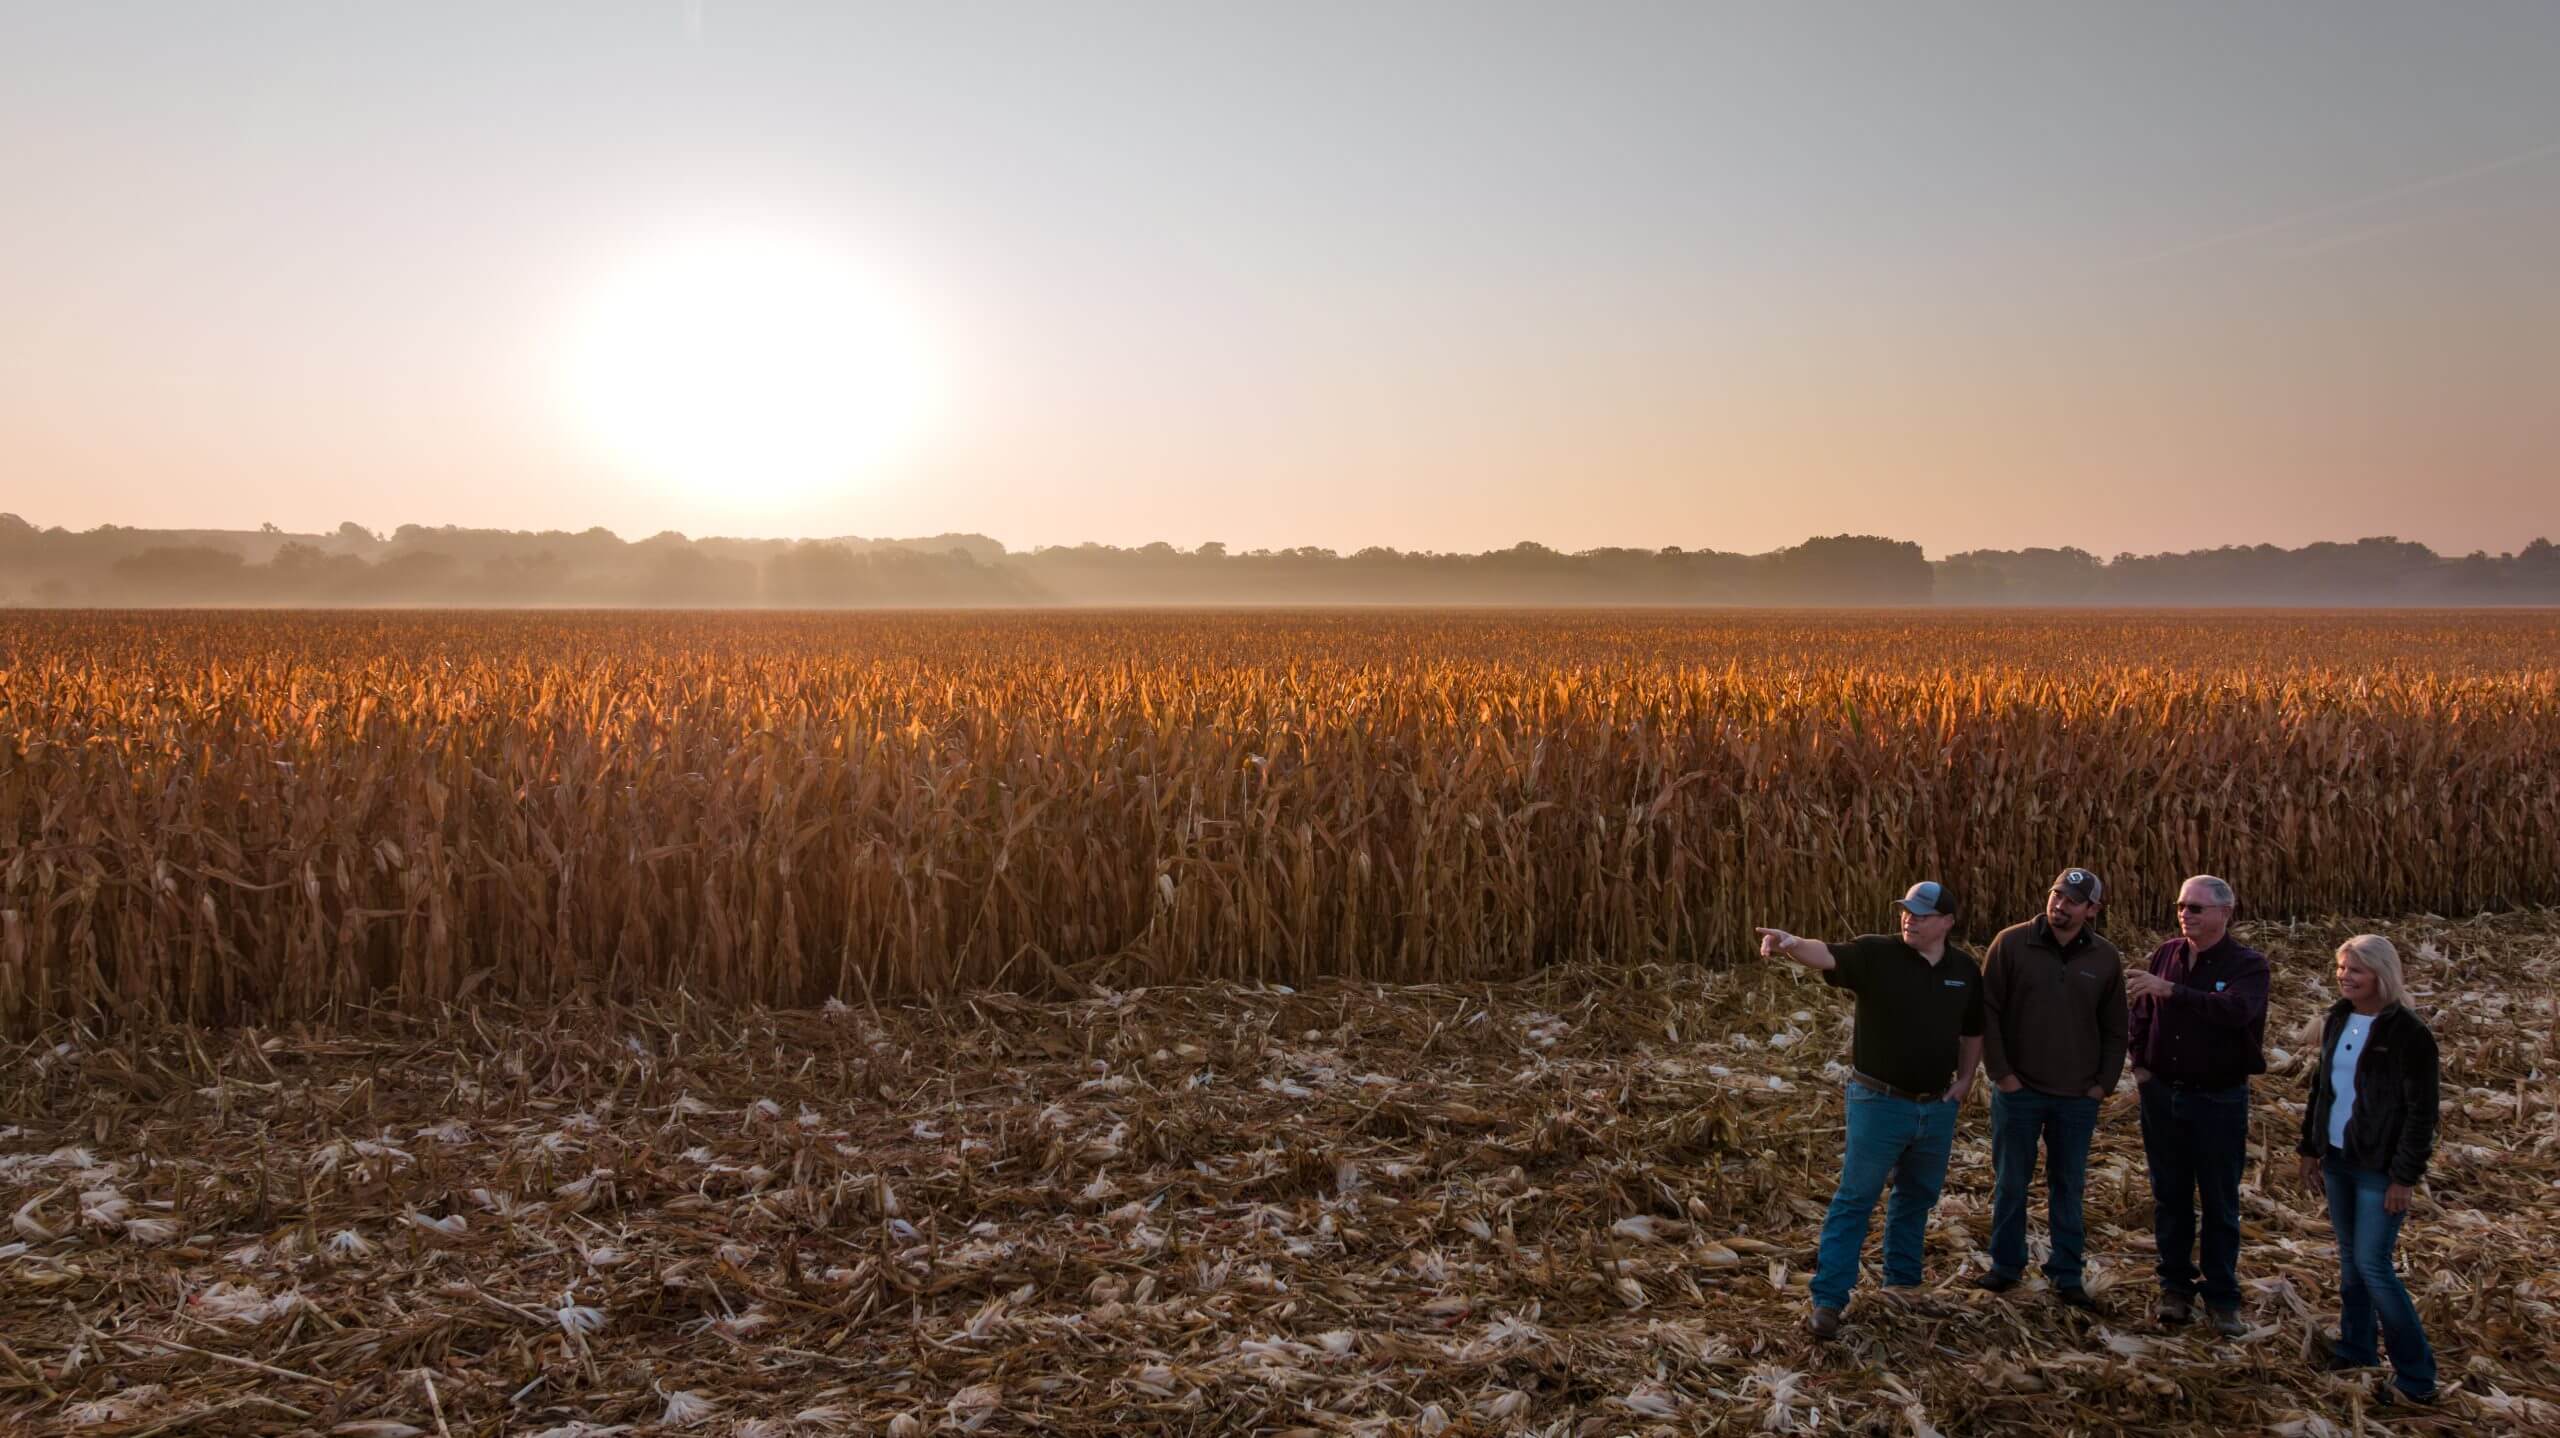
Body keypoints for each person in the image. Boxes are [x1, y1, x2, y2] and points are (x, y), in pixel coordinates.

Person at [1756, 881, 1984, 1339]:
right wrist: (1791, 944)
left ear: (1947, 922)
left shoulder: (1964, 970)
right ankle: (1829, 1301)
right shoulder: (1877, 955)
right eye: (1906, 911)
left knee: (1916, 1198)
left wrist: (1964, 1081)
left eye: (1921, 913)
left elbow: (1972, 1030)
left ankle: (1901, 1286)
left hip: (1935, 1108)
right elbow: (1829, 955)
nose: (1910, 919)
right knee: (1855, 1199)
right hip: (1879, 1102)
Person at [2297, 934, 2440, 1405]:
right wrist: (2309, 1147)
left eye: (2355, 970)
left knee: (2374, 1267)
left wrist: (2404, 1177)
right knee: (2350, 1264)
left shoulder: (2408, 1033)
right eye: (2341, 968)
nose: (2344, 977)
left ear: (2382, 974)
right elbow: (2322, 1089)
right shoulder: (2338, 1019)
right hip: (2337, 1159)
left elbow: (2422, 1114)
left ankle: (2416, 1378)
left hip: (2379, 1168)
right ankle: (2357, 1348)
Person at [1977, 866, 2127, 1310]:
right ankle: (2005, 1267)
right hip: (2019, 1092)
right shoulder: (2011, 943)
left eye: (2072, 901)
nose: (2060, 906)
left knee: (2068, 1184)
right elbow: (1987, 1012)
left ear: (2093, 909)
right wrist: (2002, 1074)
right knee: (2010, 1182)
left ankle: (2066, 1273)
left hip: (2076, 1097)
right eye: (2056, 895)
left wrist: (2102, 1084)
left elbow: (2116, 1028)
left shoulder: (2104, 958)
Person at [2126, 873, 2269, 1336]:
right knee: (2170, 1196)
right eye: (2182, 906)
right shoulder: (2167, 953)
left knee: (2219, 1200)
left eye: (2197, 908)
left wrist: (2173, 992)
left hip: (2218, 1098)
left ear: (2225, 913)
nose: (2186, 914)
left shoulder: (2248, 966)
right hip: (2164, 1094)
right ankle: (2175, 1288)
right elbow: (2141, 1010)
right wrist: (2141, 1064)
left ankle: (2223, 1296)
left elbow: (2235, 1012)